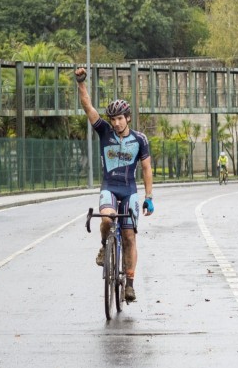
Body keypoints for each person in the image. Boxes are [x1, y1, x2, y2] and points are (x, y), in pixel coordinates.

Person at [75, 67, 154, 302]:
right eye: (113, 119)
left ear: (128, 117)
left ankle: (129, 283)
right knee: (107, 218)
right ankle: (104, 246)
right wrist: (81, 83)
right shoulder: (105, 132)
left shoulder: (140, 140)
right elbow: (88, 106)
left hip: (129, 190)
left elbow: (147, 168)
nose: (116, 123)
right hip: (109, 187)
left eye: (120, 118)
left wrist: (149, 196)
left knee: (129, 235)